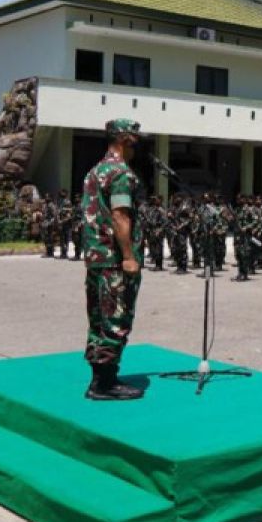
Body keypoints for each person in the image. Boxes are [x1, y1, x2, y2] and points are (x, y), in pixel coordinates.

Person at [80, 119, 146, 401]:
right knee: (116, 318)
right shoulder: (120, 173)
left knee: (98, 319)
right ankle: (105, 384)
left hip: (96, 258)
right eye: (134, 138)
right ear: (124, 140)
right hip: (114, 261)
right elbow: (121, 215)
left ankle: (100, 378)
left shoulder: (95, 171)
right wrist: (129, 257)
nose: (138, 144)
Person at [144, 195, 168, 271]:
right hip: (152, 230)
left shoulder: (162, 210)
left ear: (160, 201)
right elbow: (149, 219)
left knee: (159, 248)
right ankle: (156, 263)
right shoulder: (152, 209)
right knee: (153, 248)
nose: (155, 201)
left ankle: (159, 265)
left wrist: (160, 230)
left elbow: (165, 222)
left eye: (157, 200)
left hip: (158, 231)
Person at [56, 188, 75, 258]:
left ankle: (65, 252)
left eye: (62, 193)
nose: (61, 194)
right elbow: (58, 212)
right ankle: (62, 252)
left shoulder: (67, 202)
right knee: (61, 239)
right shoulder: (60, 202)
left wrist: (62, 221)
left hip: (66, 224)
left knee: (66, 238)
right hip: (61, 223)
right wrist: (58, 221)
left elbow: (69, 215)